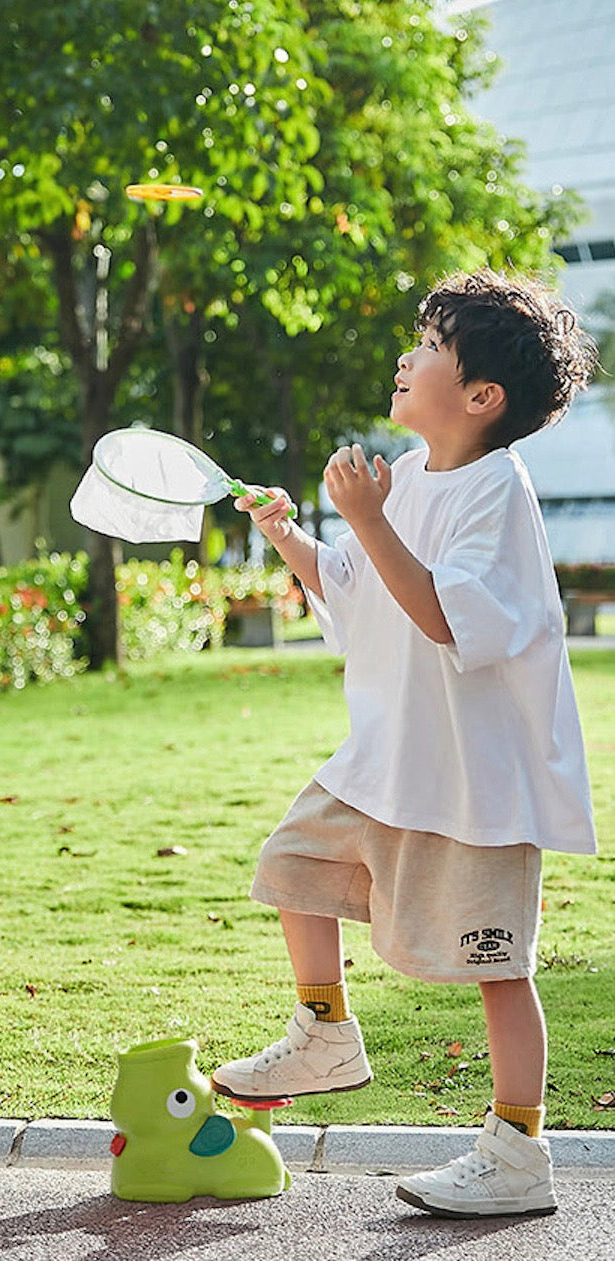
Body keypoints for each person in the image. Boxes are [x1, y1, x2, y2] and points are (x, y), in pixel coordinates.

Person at [213, 270, 597, 1219]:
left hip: (476, 785)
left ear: (481, 396)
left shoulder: (494, 494)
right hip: (386, 762)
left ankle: (519, 1148)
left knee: (496, 966)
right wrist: (291, 535)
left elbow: (441, 615)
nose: (404, 355)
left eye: (427, 345)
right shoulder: (414, 474)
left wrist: (368, 518)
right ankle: (325, 1031)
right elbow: (357, 589)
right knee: (292, 867)